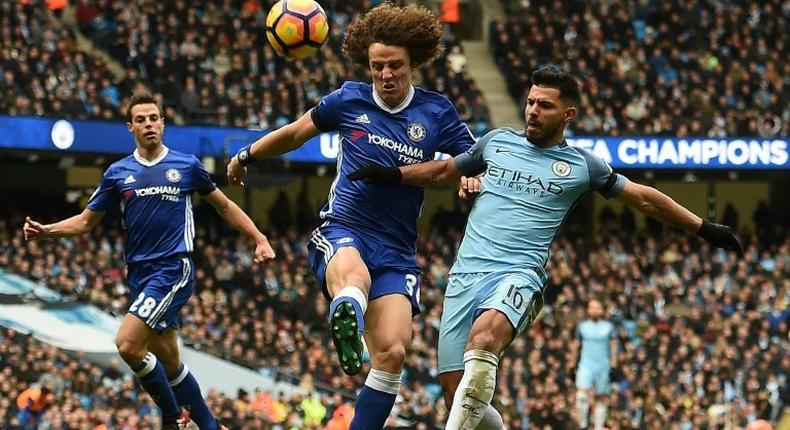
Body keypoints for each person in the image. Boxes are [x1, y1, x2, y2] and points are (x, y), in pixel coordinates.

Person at [347, 66, 744, 430]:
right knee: (458, 397)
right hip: (464, 278)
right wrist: (393, 175)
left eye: (545, 105)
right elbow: (444, 170)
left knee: (484, 342)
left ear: (567, 115)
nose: (533, 111)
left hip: (518, 277)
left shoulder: (582, 166)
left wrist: (704, 227)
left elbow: (642, 198)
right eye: (531, 102)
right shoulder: (496, 142)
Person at [226, 4, 475, 429]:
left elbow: (472, 158)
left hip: (396, 248)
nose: (386, 75)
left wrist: (469, 177)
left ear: (412, 62)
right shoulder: (348, 99)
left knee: (393, 353)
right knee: (353, 277)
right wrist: (248, 154)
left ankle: (352, 324)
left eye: (395, 65)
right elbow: (294, 132)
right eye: (377, 66)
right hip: (344, 228)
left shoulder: (436, 112)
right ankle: (347, 313)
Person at [24, 92, 275, 430]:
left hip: (173, 269)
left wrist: (258, 238)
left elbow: (225, 206)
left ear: (163, 123)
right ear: (131, 128)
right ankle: (209, 426)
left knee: (127, 344)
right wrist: (47, 230)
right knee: (171, 363)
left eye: (153, 118)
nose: (148, 124)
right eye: (140, 120)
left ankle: (173, 418)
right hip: (140, 276)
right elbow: (86, 221)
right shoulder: (118, 173)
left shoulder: (186, 166)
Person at [574, 299, 616, 430]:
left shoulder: (609, 327)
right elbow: (575, 346)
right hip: (585, 365)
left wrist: (614, 365)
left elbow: (613, 346)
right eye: (592, 308)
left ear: (602, 310)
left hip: (603, 366)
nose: (595, 310)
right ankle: (583, 425)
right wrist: (571, 365)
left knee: (601, 398)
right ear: (587, 310)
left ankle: (598, 427)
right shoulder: (582, 327)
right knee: (581, 396)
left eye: (598, 308)